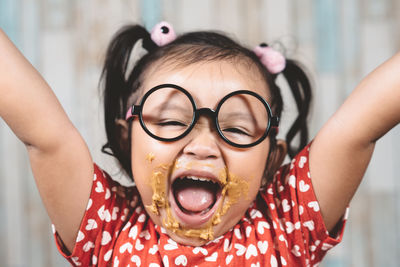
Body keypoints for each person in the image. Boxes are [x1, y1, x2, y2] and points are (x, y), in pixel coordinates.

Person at [0, 20, 399, 266]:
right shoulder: (108, 225)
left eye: (239, 129)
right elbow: (45, 135)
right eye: (172, 121)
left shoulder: (287, 226)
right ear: (126, 142)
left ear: (272, 163)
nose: (203, 145)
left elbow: (358, 126)